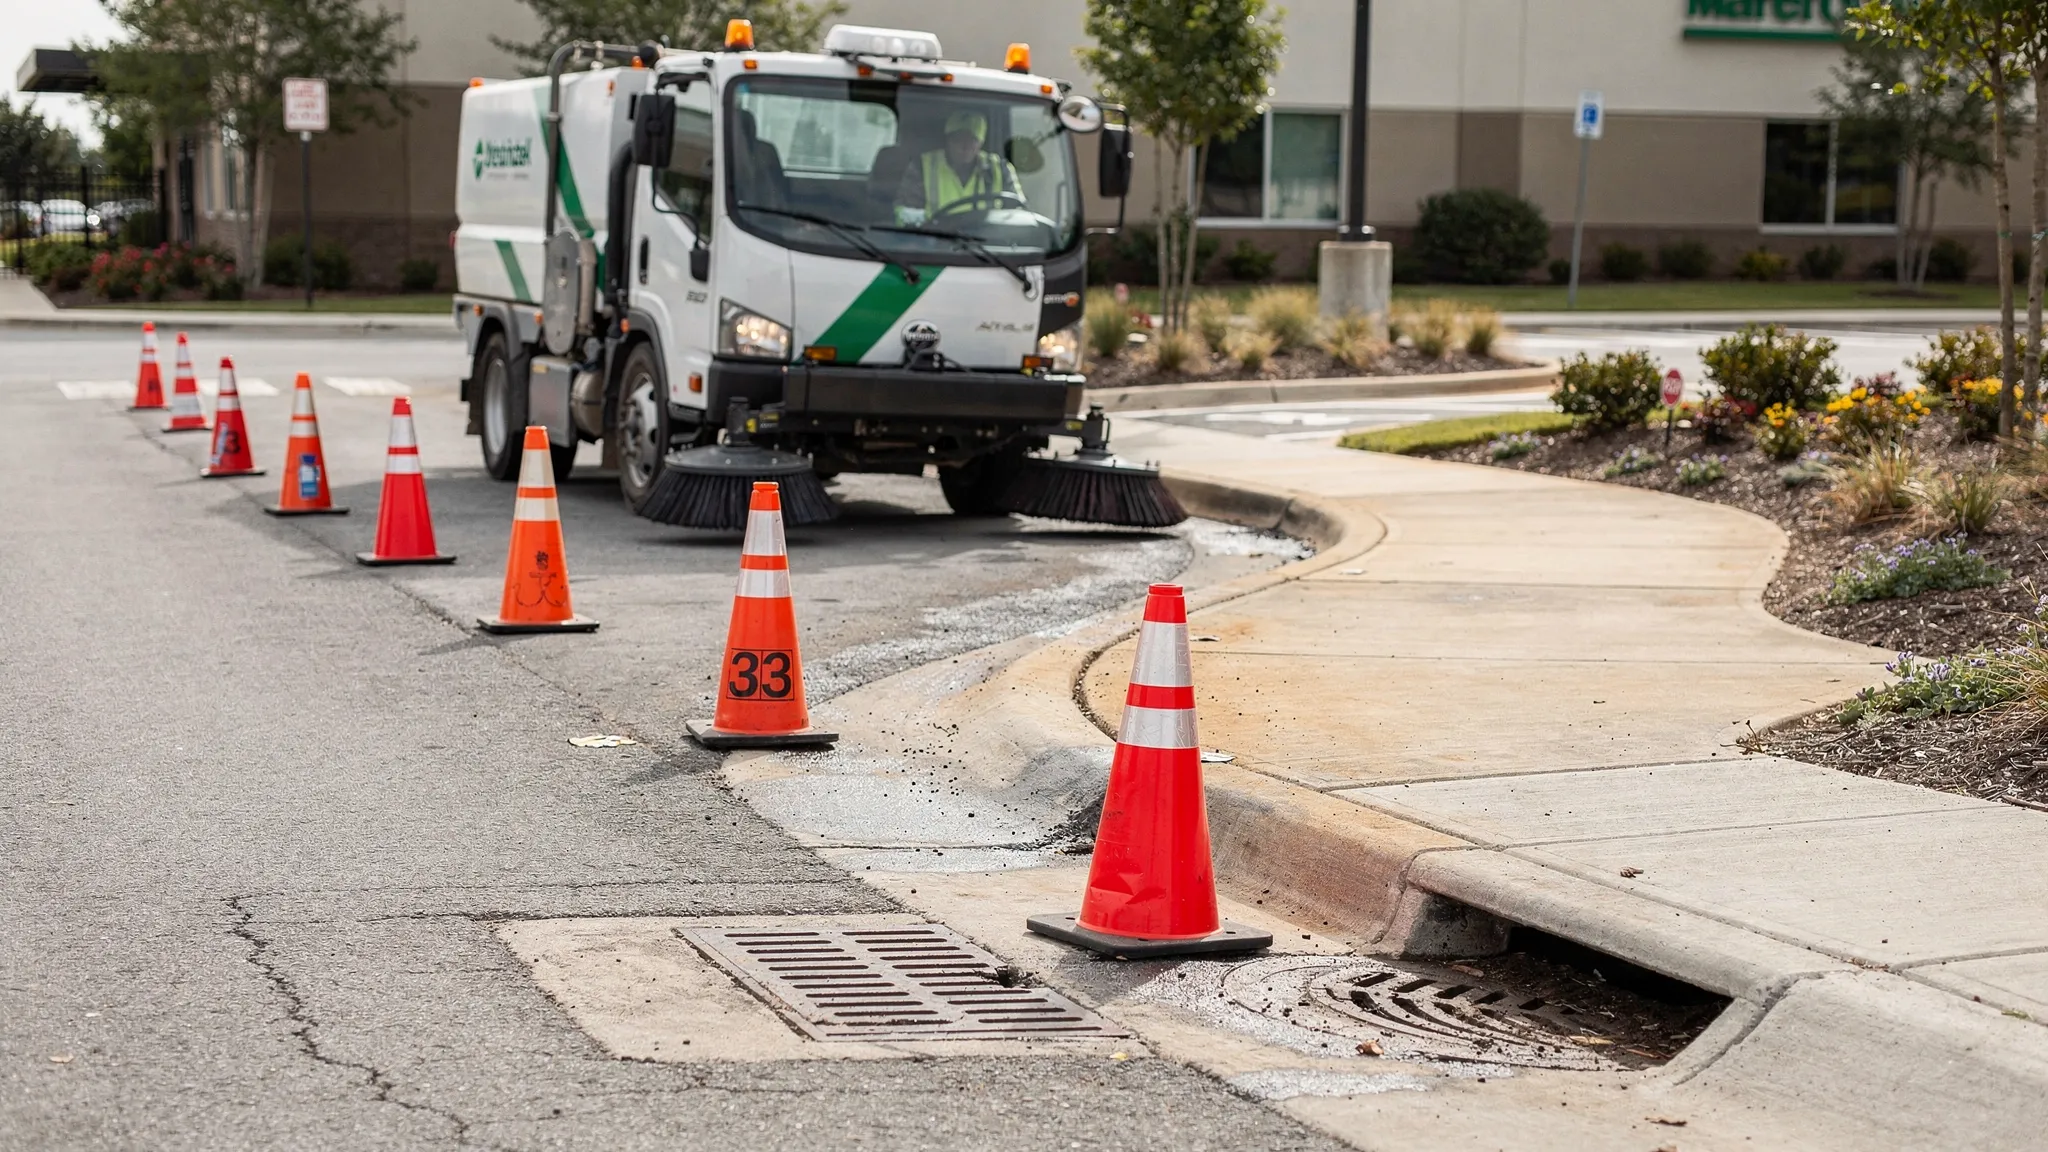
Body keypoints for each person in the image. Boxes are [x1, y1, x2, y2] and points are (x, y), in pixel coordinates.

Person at [893, 110, 1022, 227]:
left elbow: (1018, 213)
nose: (965, 146)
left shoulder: (1000, 169)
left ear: (981, 143)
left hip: (987, 247)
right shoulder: (922, 166)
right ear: (947, 140)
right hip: (933, 244)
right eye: (958, 138)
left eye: (972, 140)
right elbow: (906, 214)